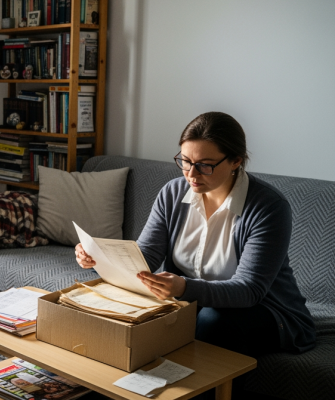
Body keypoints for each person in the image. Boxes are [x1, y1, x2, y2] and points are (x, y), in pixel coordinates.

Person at [74, 112, 316, 361]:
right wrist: (98, 257)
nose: (191, 174)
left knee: (213, 321)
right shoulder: (173, 193)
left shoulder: (268, 206)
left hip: (264, 310)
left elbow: (249, 290)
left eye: (205, 165)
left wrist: (184, 287)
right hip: (191, 304)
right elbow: (144, 258)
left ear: (235, 161)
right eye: (186, 161)